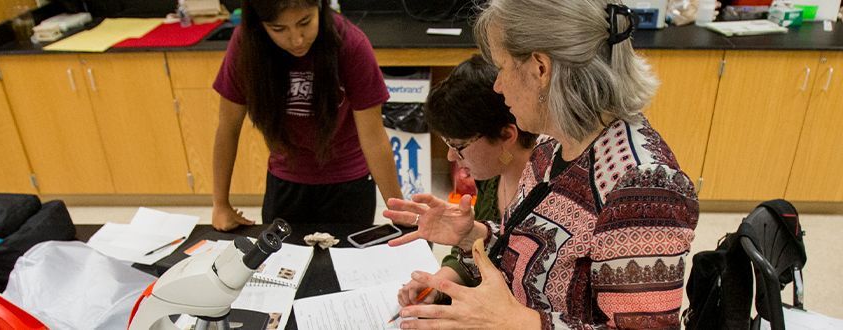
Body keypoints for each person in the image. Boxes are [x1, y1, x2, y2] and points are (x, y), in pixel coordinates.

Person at [384, 0, 699, 328]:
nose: (498, 85)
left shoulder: (643, 184)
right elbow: (532, 259)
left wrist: (516, 322)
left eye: (503, 67)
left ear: (540, 69)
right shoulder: (552, 145)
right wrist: (473, 236)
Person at [211, 0, 402, 231]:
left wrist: (399, 213)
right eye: (279, 29)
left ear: (320, 7)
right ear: (260, 24)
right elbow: (228, 127)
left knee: (345, 263)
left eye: (305, 22)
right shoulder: (247, 44)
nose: (297, 39)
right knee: (283, 263)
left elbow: (373, 137)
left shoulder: (350, 44)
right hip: (285, 180)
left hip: (349, 181)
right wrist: (220, 204)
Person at [395, 55, 538, 297]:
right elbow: (478, 251)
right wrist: (439, 284)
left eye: (458, 145)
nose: (451, 157)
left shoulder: (551, 190)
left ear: (506, 135)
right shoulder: (492, 177)